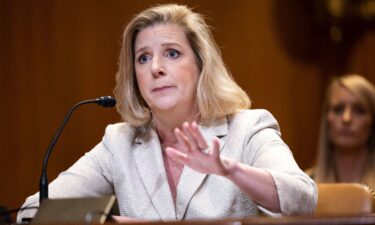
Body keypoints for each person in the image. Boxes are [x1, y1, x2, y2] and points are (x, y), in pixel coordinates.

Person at [17, 4, 316, 222]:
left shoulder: (248, 128)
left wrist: (230, 169)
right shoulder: (119, 143)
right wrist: (106, 222)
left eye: (172, 53)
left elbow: (302, 200)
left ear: (201, 66)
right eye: (143, 58)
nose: (155, 68)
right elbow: (33, 213)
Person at [306, 74, 375, 190]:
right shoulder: (304, 185)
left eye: (359, 110)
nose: (346, 119)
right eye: (338, 109)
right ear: (326, 120)